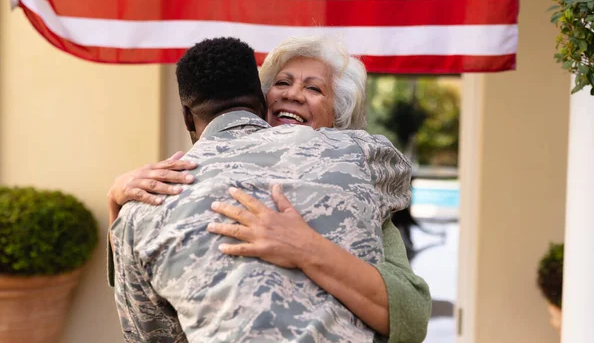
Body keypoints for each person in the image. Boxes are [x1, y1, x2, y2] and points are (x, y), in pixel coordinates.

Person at [109, 36, 431, 342]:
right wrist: (118, 201)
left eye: (314, 89)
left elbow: (411, 317)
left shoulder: (355, 170)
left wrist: (307, 248)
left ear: (339, 119)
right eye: (282, 83)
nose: (292, 95)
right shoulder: (174, 185)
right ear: (259, 99)